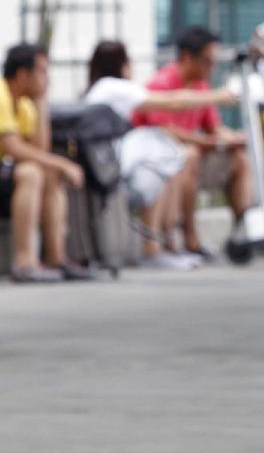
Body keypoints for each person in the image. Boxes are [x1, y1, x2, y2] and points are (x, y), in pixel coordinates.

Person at [84, 40, 238, 269]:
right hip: (109, 169)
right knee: (164, 161)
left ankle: (167, 245)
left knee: (174, 159)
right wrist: (219, 96)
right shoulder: (113, 87)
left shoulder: (99, 89)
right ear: (122, 65)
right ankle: (154, 249)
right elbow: (171, 102)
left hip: (105, 165)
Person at [138, 26, 250, 259]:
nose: (212, 68)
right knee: (189, 155)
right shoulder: (160, 83)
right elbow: (165, 131)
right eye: (208, 62)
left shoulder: (201, 85)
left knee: (238, 159)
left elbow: (213, 127)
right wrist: (206, 142)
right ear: (188, 57)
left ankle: (245, 233)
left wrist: (231, 138)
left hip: (194, 159)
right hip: (160, 163)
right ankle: (190, 238)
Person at [0, 43, 91, 282]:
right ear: (23, 74)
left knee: (47, 173)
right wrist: (64, 164)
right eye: (42, 72)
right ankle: (23, 262)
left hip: (5, 173)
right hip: (6, 171)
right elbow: (14, 148)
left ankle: (56, 259)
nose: (47, 79)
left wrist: (42, 102)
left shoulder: (24, 104)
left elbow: (39, 149)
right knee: (31, 172)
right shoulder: (0, 95)